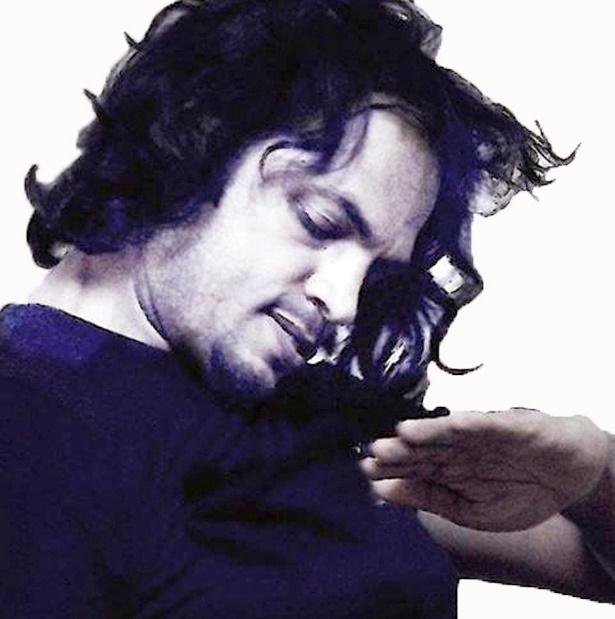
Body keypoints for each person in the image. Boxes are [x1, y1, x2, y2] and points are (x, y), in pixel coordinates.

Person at [1, 0, 613, 617]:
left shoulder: (297, 415)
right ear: (191, 142)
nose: (344, 302)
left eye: (378, 273)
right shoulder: (29, 425)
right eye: (319, 222)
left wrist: (595, 477)